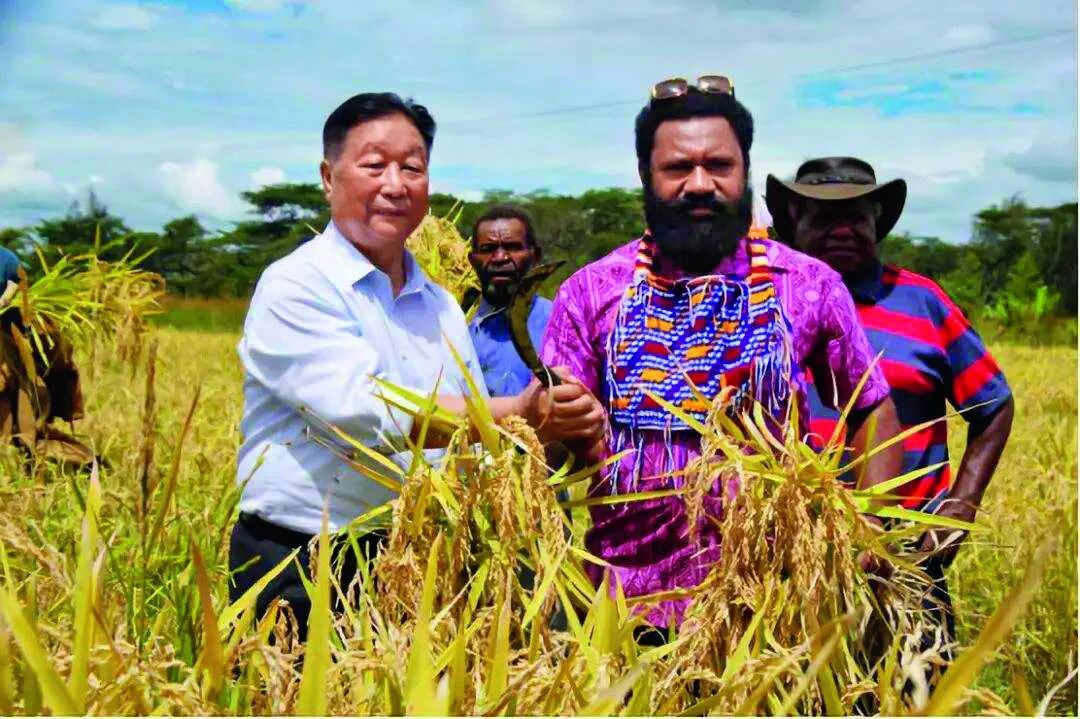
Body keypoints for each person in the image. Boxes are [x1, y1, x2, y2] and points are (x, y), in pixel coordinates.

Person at [230, 92, 605, 638]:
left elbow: (472, 446)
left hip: (418, 559)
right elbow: (364, 414)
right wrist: (517, 412)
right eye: (374, 165)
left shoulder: (441, 305)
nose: (395, 184)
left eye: (412, 167)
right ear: (329, 178)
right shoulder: (296, 285)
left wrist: (559, 427)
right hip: (302, 561)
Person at [541, 77, 903, 633]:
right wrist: (557, 425)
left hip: (773, 604)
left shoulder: (807, 284)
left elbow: (871, 404)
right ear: (645, 175)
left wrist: (869, 521)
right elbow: (552, 438)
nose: (700, 184)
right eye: (677, 168)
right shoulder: (590, 292)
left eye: (719, 165)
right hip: (624, 607)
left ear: (745, 171)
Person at [765, 156, 1014, 651]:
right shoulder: (762, 301)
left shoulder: (922, 301)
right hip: (788, 555)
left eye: (856, 217)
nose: (843, 230)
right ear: (795, 220)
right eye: (825, 217)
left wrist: (961, 506)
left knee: (914, 687)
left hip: (904, 558)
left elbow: (993, 405)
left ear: (876, 223)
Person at [467, 205, 553, 396]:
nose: (500, 258)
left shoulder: (560, 322)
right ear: (472, 260)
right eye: (488, 249)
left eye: (512, 247)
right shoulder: (454, 326)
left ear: (535, 256)